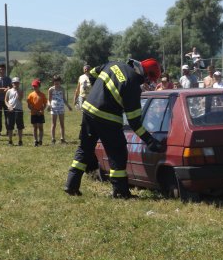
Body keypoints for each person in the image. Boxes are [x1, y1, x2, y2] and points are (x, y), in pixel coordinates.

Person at [64, 59, 164, 198]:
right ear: (146, 75)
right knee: (117, 153)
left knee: (85, 148)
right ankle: (120, 192)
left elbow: (92, 73)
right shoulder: (133, 85)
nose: (146, 82)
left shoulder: (114, 64)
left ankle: (71, 185)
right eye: (148, 80)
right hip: (108, 118)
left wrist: (98, 91)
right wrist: (150, 141)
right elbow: (134, 121)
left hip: (88, 111)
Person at [48, 75, 72, 144]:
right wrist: (49, 105)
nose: (56, 83)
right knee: (54, 124)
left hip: (61, 107)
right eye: (55, 81)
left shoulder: (62, 89)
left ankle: (62, 138)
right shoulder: (51, 89)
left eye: (58, 81)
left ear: (60, 81)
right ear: (53, 82)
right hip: (54, 108)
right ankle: (53, 139)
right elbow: (49, 99)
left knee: (62, 123)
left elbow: (64, 99)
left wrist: (68, 106)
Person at [27, 79, 47, 146]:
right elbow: (29, 105)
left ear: (39, 86)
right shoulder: (31, 95)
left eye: (36, 86)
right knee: (35, 127)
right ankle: (35, 140)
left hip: (40, 113)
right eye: (33, 86)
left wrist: (42, 110)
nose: (34, 87)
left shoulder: (42, 95)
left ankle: (40, 140)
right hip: (33, 113)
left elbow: (45, 104)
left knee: (40, 127)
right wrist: (34, 111)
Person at [5, 77, 24, 146]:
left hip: (19, 110)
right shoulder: (9, 91)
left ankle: (20, 141)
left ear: (19, 83)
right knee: (10, 126)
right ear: (12, 83)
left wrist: (18, 91)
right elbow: (6, 100)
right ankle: (10, 141)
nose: (16, 84)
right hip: (10, 110)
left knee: (20, 126)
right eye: (14, 83)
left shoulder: (21, 91)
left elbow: (20, 98)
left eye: (17, 83)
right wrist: (9, 106)